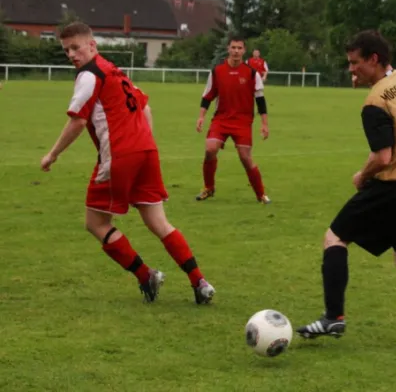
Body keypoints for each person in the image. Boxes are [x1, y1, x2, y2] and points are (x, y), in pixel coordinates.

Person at [40, 21, 215, 304]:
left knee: (95, 222)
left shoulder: (89, 74)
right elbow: (145, 107)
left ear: (92, 45)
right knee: (159, 222)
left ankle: (147, 275)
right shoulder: (114, 71)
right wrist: (143, 143)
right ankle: (200, 282)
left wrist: (53, 154)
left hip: (120, 156)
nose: (72, 54)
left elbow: (78, 120)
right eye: (66, 50)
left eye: (76, 47)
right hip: (146, 150)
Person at [297, 30, 396, 351]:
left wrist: (362, 175)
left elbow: (383, 156)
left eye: (355, 63)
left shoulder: (374, 102)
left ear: (373, 59)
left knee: (335, 237)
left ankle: (334, 315)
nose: (351, 70)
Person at [196, 36, 271, 204]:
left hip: (243, 122)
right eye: (233, 47)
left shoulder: (252, 73)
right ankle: (208, 188)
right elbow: (207, 96)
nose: (236, 51)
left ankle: (261, 195)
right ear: (228, 49)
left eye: (239, 48)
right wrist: (201, 117)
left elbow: (261, 101)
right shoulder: (217, 71)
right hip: (221, 120)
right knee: (210, 149)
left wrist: (264, 124)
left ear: (244, 51)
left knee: (245, 157)